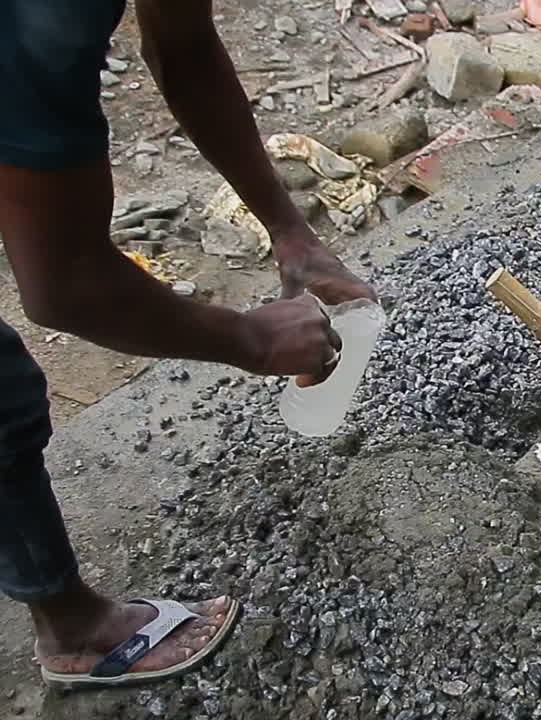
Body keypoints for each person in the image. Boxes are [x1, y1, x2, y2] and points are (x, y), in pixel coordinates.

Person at [0, 0, 376, 689]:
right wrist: (248, 340)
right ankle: (73, 631)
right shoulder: (40, 27)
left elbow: (185, 49)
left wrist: (288, 229)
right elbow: (63, 287)